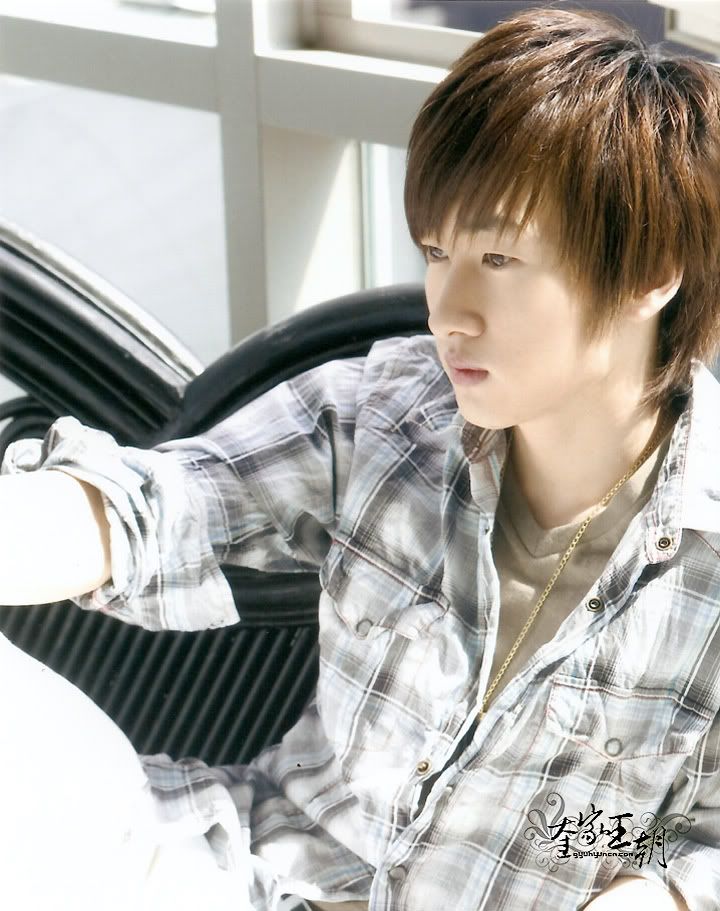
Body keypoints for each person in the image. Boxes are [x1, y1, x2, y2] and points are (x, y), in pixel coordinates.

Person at [2, 6, 720, 910]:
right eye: (438, 252)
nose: (448, 310)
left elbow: (692, 847)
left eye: (500, 257)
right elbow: (161, 507)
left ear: (651, 271)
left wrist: (642, 886)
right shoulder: (389, 411)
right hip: (232, 878)